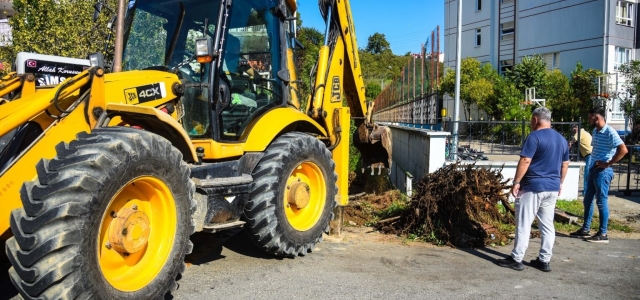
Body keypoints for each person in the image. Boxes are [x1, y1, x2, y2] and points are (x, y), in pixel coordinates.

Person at [497, 107, 569, 272]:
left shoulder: (534, 137)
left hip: (533, 187)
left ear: (536, 120)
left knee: (524, 223)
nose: (531, 123)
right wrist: (560, 183)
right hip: (552, 187)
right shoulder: (562, 139)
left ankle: (517, 258)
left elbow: (525, 161)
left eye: (531, 120)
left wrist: (516, 182)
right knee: (547, 225)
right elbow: (565, 164)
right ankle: (544, 260)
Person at [570, 107, 628, 243]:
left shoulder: (610, 132)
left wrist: (608, 163)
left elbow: (623, 149)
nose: (588, 120)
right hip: (593, 170)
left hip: (603, 172)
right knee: (587, 199)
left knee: (601, 202)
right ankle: (585, 229)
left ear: (597, 118)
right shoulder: (595, 131)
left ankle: (603, 234)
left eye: (590, 117)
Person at [569, 124, 593, 196]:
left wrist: (566, 149)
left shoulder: (579, 133)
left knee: (587, 173)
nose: (573, 133)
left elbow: (572, 141)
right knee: (589, 173)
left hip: (590, 154)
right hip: (591, 154)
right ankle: (588, 191)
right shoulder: (584, 132)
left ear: (575, 129)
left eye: (573, 131)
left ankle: (586, 192)